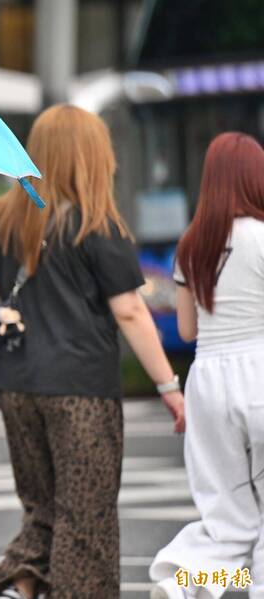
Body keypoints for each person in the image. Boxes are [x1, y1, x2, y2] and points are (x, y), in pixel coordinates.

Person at [0, 104, 185, 599]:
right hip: (82, 390)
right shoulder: (96, 225)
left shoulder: (5, 218)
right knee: (86, 518)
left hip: (18, 385)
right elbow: (130, 311)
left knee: (42, 506)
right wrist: (169, 386)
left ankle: (23, 578)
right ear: (91, 157)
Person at [149, 132, 264, 599]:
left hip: (209, 379)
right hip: (259, 367)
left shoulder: (192, 244)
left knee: (227, 518)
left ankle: (184, 582)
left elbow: (187, 329)